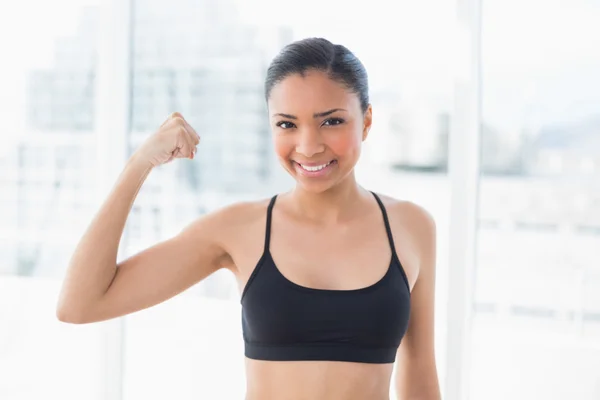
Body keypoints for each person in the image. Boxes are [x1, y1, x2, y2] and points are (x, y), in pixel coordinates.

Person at [56, 37, 441, 400]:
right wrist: (140, 163)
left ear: (367, 121)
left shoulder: (411, 227)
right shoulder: (239, 229)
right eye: (287, 124)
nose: (308, 146)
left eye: (332, 121)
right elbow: (80, 304)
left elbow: (420, 375)